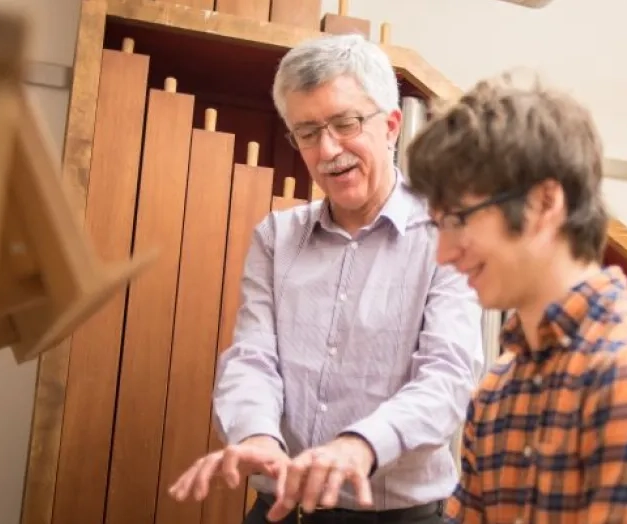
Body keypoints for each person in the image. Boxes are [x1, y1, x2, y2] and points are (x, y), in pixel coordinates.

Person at [167, 33, 485, 523]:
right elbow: (253, 358)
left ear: (391, 125)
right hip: (282, 510)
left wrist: (360, 445)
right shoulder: (276, 238)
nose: (328, 149)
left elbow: (448, 378)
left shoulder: (448, 235)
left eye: (346, 123)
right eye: (308, 132)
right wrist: (256, 434)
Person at [404, 69, 627, 523]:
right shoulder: (497, 392)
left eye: (459, 220)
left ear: (544, 203)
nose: (444, 254)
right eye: (438, 225)